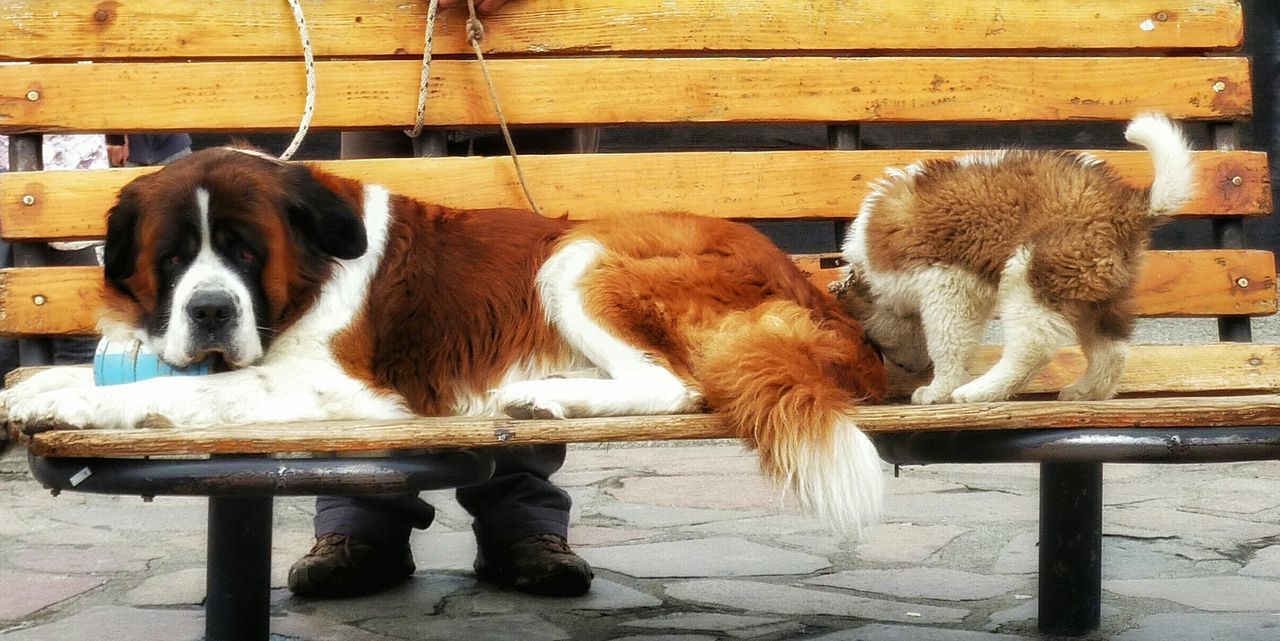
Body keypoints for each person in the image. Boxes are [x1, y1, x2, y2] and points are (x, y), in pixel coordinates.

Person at [286, 0, 595, 600]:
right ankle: (362, 516)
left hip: (534, 52)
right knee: (371, 291)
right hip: (383, 46)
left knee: (518, 297)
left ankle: (519, 519)